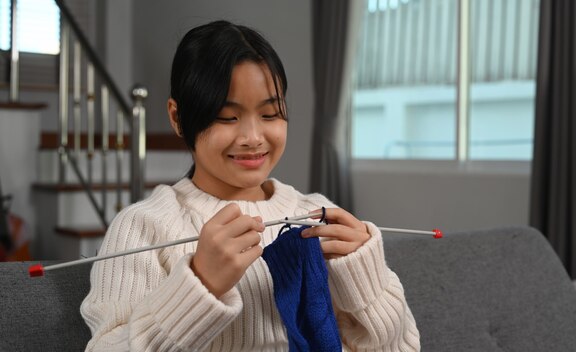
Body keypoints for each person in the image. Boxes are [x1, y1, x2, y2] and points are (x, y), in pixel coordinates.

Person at [81, 20, 420, 351]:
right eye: (227, 117)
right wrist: (201, 285)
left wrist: (367, 278)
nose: (253, 138)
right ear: (177, 117)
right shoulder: (143, 227)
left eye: (270, 115)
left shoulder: (316, 214)